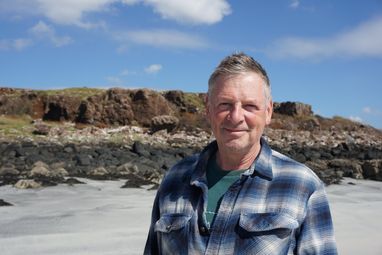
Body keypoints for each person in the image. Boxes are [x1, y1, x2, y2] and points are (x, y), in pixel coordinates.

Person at [144, 52, 337, 254]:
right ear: (208, 109)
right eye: (225, 104)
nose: (236, 117)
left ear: (268, 111)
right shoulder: (174, 180)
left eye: (249, 106)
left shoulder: (303, 186)